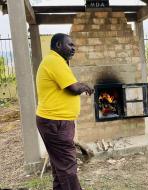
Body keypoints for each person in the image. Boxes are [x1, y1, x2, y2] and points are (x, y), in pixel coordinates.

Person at [36, 33, 94, 190]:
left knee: (59, 166)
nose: (74, 48)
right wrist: (85, 86)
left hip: (55, 122)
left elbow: (70, 86)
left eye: (74, 45)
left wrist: (80, 84)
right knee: (68, 168)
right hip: (55, 123)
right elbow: (74, 88)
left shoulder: (56, 61)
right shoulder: (55, 61)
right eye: (70, 45)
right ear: (58, 46)